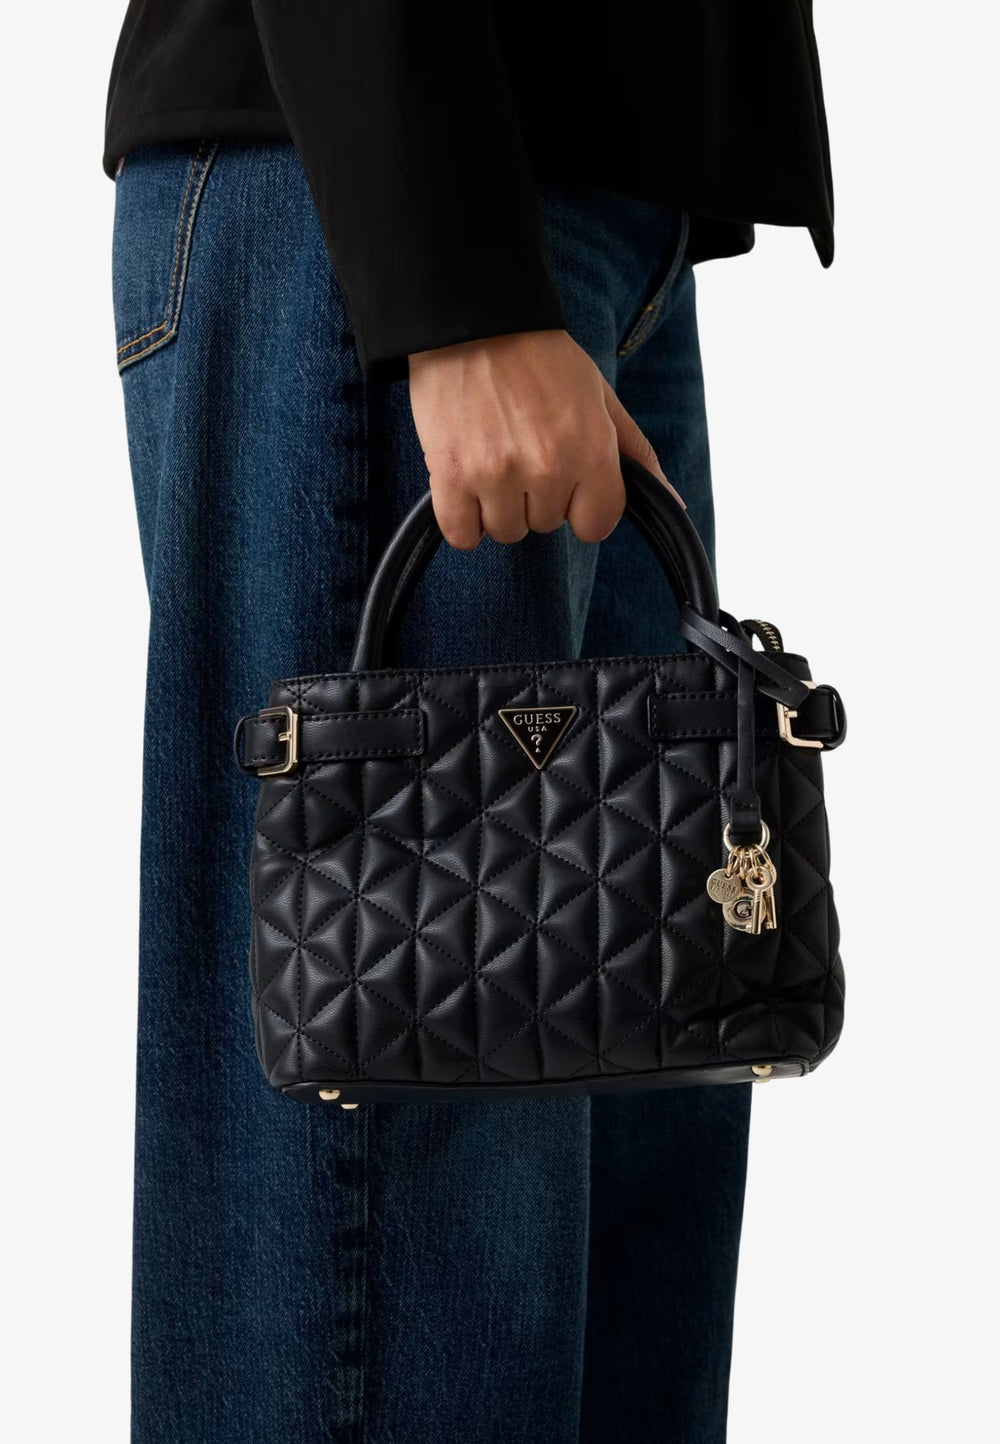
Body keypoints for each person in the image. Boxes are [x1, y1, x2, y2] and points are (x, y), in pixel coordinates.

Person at [104, 5, 833, 1441]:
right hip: (408, 189)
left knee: (609, 1210)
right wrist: (448, 274)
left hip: (591, 209)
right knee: (408, 1230)